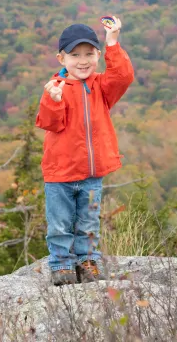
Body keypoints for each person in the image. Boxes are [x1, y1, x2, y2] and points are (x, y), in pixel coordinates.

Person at [36, 16, 134, 285]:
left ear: (97, 55)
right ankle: (62, 263)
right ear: (61, 59)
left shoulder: (101, 86)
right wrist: (54, 101)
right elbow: (49, 123)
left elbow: (123, 76)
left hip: (92, 174)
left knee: (88, 223)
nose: (82, 60)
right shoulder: (55, 88)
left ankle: (88, 260)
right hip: (60, 174)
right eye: (75, 54)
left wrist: (112, 42)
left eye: (89, 54)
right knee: (59, 225)